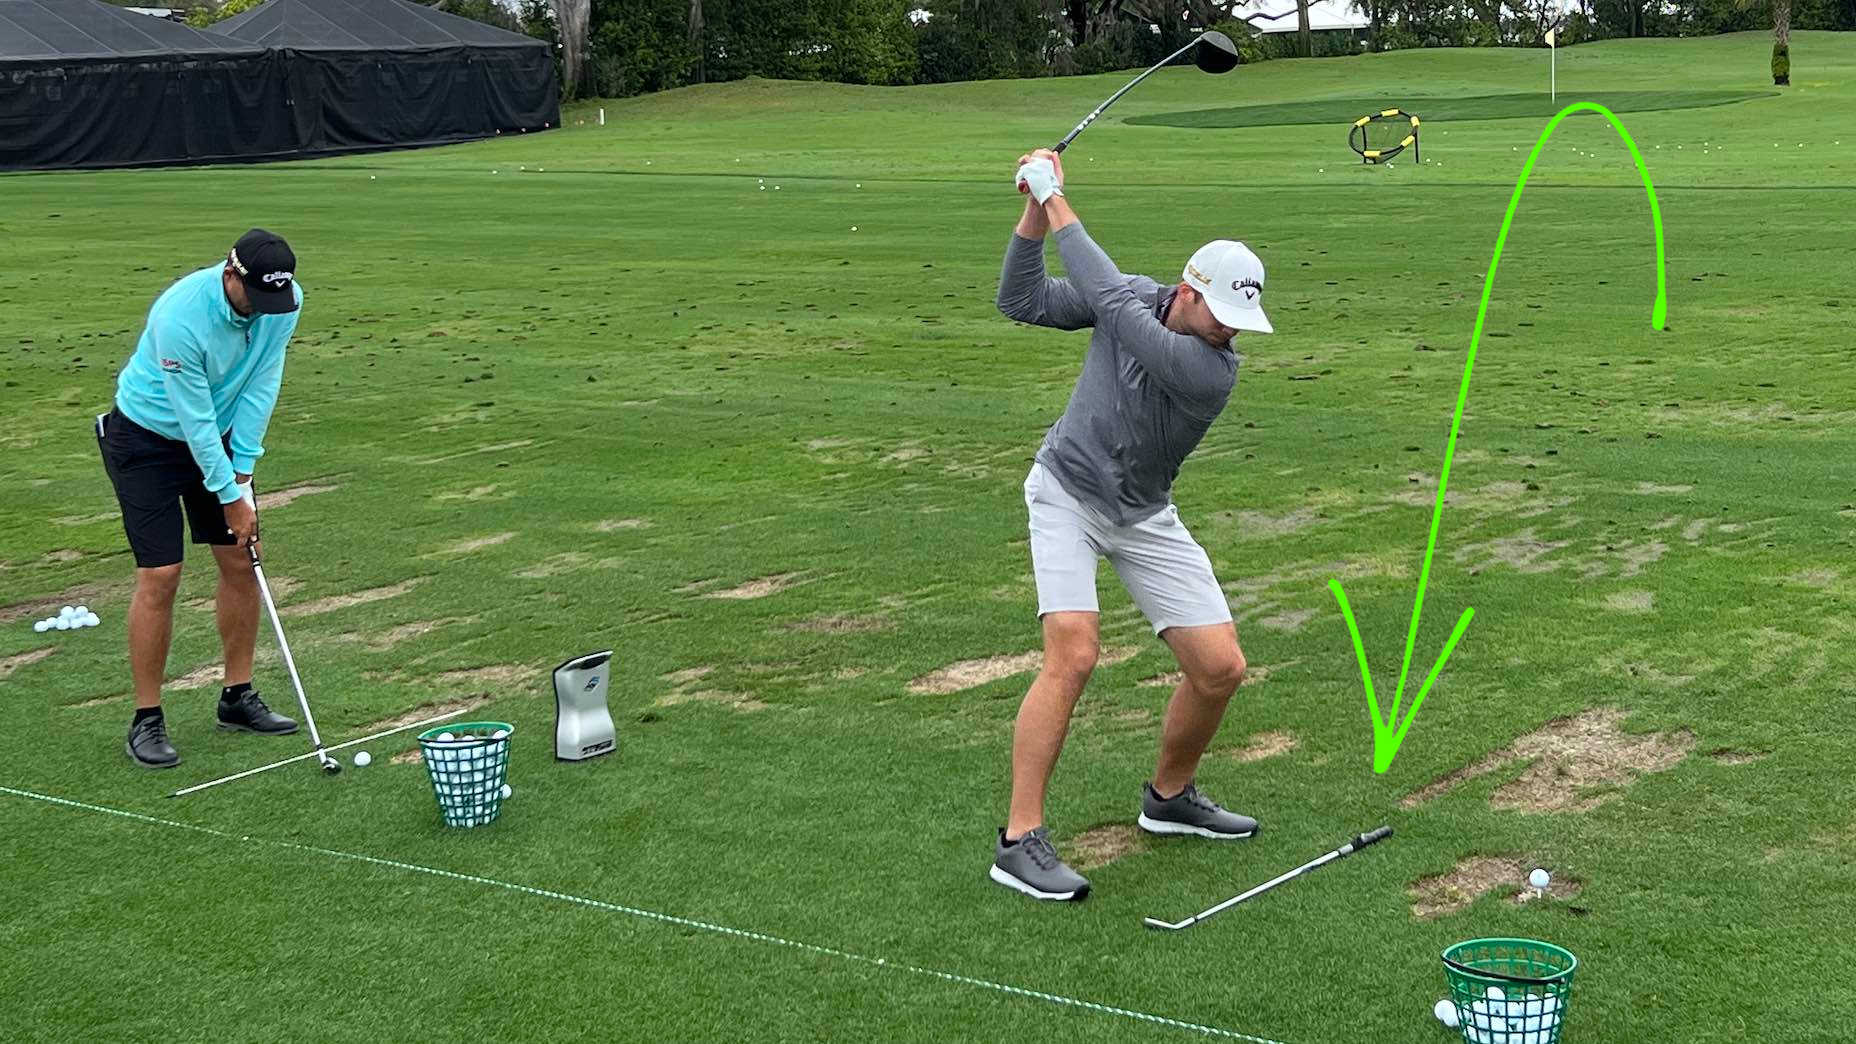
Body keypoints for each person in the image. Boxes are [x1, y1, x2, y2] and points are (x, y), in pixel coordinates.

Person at [989, 150, 1274, 901]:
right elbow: (1021, 300)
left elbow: (1110, 304)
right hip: (1067, 493)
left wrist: (1058, 200)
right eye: (1223, 316)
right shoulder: (1139, 299)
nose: (1230, 333)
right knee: (1074, 653)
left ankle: (1169, 798)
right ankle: (1019, 841)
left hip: (1145, 513)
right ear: (1187, 292)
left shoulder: (1211, 370)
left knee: (1220, 669)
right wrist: (1032, 208)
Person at [97, 229, 305, 769]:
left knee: (241, 560)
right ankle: (147, 718)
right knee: (161, 574)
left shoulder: (283, 303)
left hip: (223, 435)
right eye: (254, 299)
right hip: (147, 439)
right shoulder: (180, 316)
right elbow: (192, 418)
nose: (263, 313)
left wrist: (243, 474)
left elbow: (264, 379)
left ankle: (237, 697)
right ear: (231, 275)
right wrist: (230, 495)